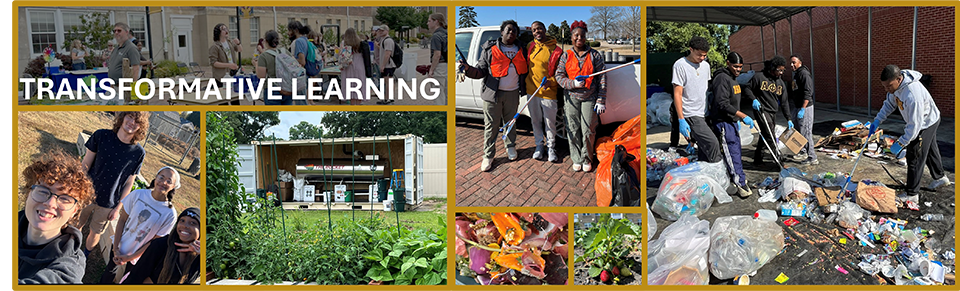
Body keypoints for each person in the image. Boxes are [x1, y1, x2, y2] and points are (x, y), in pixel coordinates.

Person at [869, 65, 952, 199]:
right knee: (929, 149)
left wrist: (901, 142)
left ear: (899, 79)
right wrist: (877, 121)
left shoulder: (912, 95)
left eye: (889, 86)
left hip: (926, 122)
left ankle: (912, 194)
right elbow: (889, 104)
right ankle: (940, 178)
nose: (887, 89)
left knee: (915, 155)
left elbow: (915, 126)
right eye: (884, 86)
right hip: (922, 121)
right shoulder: (895, 89)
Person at [459, 20, 527, 172]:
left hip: (513, 93)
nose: (511, 33)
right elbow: (480, 71)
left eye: (514, 31)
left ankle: (510, 146)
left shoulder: (521, 49)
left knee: (511, 122)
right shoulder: (489, 49)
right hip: (492, 94)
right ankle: (488, 155)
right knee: (491, 126)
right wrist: (468, 69)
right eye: (508, 30)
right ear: (502, 32)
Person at [19, 152, 94, 284]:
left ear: (74, 211)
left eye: (65, 199)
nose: (50, 203)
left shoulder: (69, 267)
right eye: (43, 191)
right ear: (28, 193)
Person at [99, 167, 179, 284]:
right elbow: (122, 220)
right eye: (161, 177)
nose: (163, 182)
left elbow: (154, 242)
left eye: (169, 181)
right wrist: (115, 249)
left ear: (173, 187)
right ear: (156, 177)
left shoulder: (170, 214)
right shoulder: (138, 194)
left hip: (140, 257)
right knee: (109, 272)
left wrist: (131, 257)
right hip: (120, 245)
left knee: (128, 280)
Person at [556, 20, 605, 172]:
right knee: (572, 128)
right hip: (571, 98)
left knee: (588, 129)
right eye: (576, 36)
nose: (579, 38)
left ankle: (587, 158)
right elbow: (559, 76)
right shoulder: (566, 55)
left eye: (582, 36)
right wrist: (573, 83)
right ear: (571, 37)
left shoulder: (595, 55)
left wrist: (601, 99)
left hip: (590, 98)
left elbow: (602, 78)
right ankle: (576, 158)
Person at [709, 52, 755, 197]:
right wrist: (742, 115)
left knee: (736, 151)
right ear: (728, 63)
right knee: (731, 152)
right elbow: (722, 103)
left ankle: (737, 177)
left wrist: (737, 119)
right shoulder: (721, 78)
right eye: (735, 66)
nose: (738, 69)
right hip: (723, 121)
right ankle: (739, 183)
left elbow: (734, 101)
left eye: (740, 67)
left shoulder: (733, 79)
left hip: (732, 121)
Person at [671, 36, 720, 164]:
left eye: (705, 55)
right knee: (712, 143)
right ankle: (717, 168)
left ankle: (704, 170)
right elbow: (677, 93)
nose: (702, 58)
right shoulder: (680, 65)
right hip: (691, 112)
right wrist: (681, 119)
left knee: (703, 148)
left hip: (704, 112)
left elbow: (705, 89)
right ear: (691, 49)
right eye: (699, 55)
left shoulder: (706, 66)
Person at [122, 208, 201, 284]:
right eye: (182, 220)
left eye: (193, 223)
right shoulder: (160, 245)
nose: (185, 225)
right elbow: (136, 275)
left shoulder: (199, 257)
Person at [742, 55, 792, 166]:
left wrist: (788, 118)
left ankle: (757, 159)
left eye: (783, 70)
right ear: (772, 68)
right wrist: (754, 99)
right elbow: (747, 89)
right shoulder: (759, 77)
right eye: (779, 70)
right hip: (761, 111)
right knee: (770, 135)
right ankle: (779, 161)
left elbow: (784, 102)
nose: (781, 73)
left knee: (765, 133)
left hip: (773, 112)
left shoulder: (780, 83)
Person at [524, 20, 562, 162]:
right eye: (534, 30)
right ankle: (539, 145)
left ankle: (551, 147)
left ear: (545, 29)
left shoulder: (556, 50)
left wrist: (551, 82)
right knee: (535, 121)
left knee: (550, 123)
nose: (537, 32)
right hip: (532, 91)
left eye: (539, 28)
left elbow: (561, 73)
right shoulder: (530, 46)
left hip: (548, 92)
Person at [789, 55, 817, 165]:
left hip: (805, 107)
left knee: (806, 132)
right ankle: (803, 151)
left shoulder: (804, 74)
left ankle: (812, 157)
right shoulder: (796, 74)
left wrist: (803, 109)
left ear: (800, 62)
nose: (792, 65)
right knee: (797, 130)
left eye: (794, 62)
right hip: (797, 106)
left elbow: (808, 92)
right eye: (791, 62)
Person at [257, 30, 293, 105]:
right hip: (287, 87)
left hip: (272, 88)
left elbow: (261, 76)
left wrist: (255, 65)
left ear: (266, 41)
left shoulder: (264, 56)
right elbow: (295, 65)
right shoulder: (285, 52)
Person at [339, 28, 372, 105]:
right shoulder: (361, 43)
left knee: (350, 87)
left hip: (348, 66)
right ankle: (358, 105)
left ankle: (352, 105)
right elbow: (367, 58)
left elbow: (340, 55)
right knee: (359, 86)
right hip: (360, 65)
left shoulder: (344, 43)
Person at [426, 13, 448, 106]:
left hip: (440, 67)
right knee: (447, 95)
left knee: (438, 94)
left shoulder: (436, 36)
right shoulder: (447, 33)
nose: (427, 23)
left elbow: (437, 55)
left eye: (429, 21)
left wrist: (431, 70)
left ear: (436, 21)